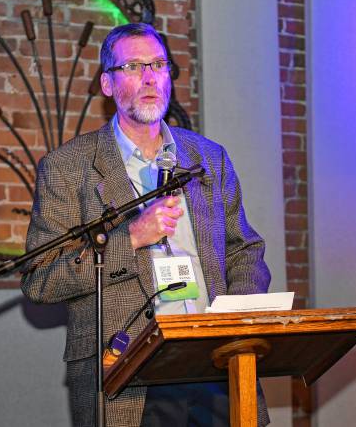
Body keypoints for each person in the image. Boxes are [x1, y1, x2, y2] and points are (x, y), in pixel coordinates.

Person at [21, 23, 271, 426]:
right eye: (134, 66)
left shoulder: (208, 157)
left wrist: (234, 319)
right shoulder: (69, 167)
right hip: (131, 372)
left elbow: (245, 249)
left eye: (158, 64)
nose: (151, 77)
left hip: (218, 365)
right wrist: (132, 237)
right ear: (107, 83)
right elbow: (41, 279)